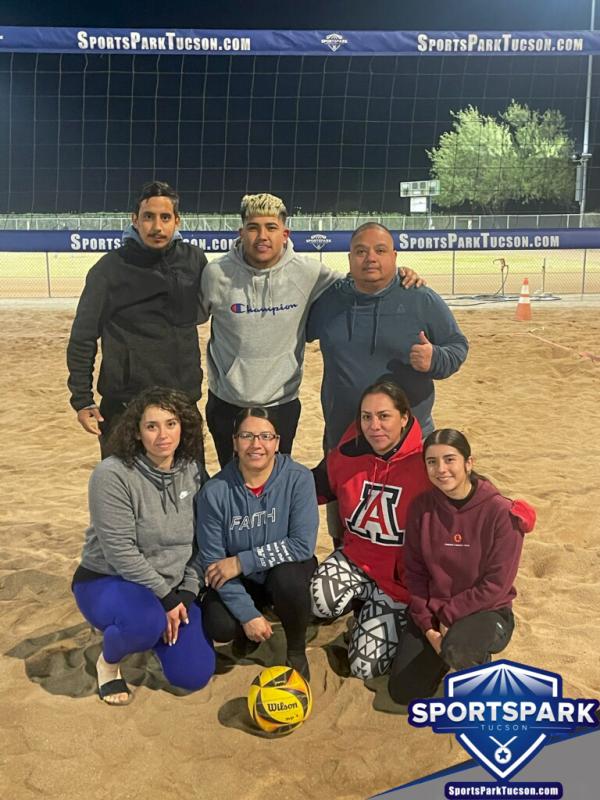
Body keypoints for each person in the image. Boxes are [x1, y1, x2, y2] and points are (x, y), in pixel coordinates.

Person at [198, 194, 422, 467]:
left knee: (276, 486)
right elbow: (191, 318)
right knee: (231, 483)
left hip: (281, 403)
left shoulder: (308, 272)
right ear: (241, 232)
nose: (262, 236)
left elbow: (358, 283)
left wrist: (399, 274)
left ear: (285, 233)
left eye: (271, 227)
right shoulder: (216, 274)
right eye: (254, 227)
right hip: (227, 402)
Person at [71, 387, 215, 705]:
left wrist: (186, 595)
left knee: (193, 676)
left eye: (171, 423)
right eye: (152, 426)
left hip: (173, 589)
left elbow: (203, 542)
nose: (162, 434)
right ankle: (108, 663)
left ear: (184, 427)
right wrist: (164, 599)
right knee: (144, 621)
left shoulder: (193, 471)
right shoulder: (112, 475)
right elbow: (119, 551)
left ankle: (144, 629)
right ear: (137, 432)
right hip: (108, 579)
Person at [388, 429, 535, 705]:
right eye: (432, 462)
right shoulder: (421, 507)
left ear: (469, 463)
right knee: (404, 692)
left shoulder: (501, 513)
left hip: (485, 611)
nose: (441, 469)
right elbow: (415, 572)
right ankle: (446, 658)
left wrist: (447, 616)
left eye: (450, 459)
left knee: (459, 649)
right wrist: (428, 625)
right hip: (435, 610)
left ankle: (484, 675)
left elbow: (496, 584)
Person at [67, 181, 208, 457]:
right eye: (148, 217)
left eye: (165, 217)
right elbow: (83, 337)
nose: (157, 227)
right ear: (135, 219)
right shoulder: (108, 270)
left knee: (189, 494)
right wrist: (82, 400)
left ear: (177, 221)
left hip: (182, 402)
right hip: (125, 406)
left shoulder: (194, 261)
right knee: (122, 495)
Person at [307, 222, 469, 451]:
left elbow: (457, 345)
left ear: (394, 256)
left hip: (409, 442)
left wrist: (435, 358)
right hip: (344, 440)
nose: (370, 258)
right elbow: (288, 333)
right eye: (361, 252)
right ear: (349, 258)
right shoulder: (329, 301)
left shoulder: (420, 298)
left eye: (380, 251)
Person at [310, 381, 431, 680]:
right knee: (319, 600)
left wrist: (512, 511)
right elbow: (305, 488)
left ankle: (388, 617)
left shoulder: (426, 462)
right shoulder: (346, 456)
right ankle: (364, 608)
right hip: (356, 559)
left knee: (365, 668)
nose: (374, 426)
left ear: (404, 418)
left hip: (398, 582)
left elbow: (470, 492)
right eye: (366, 417)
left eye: (383, 416)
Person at [196, 407, 319, 680]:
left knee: (289, 579)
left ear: (277, 442)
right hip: (242, 580)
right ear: (234, 442)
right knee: (218, 624)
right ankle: (251, 629)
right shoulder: (215, 492)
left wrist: (242, 561)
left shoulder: (298, 478)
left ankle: (296, 650)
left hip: (283, 569)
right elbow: (214, 563)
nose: (256, 444)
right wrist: (247, 614)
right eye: (247, 436)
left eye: (265, 436)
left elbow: (302, 545)